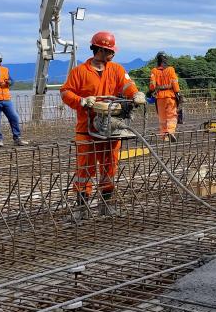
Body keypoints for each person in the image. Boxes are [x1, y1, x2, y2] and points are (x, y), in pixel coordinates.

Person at [60, 32, 145, 211]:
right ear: (100, 49)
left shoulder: (117, 69)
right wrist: (82, 101)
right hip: (87, 129)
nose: (113, 54)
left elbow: (127, 86)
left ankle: (106, 204)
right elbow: (66, 92)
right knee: (85, 169)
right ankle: (82, 207)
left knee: (109, 167)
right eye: (110, 51)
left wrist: (136, 94)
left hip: (111, 128)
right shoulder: (79, 72)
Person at [149, 51, 182, 142]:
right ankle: (171, 132)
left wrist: (151, 91)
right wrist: (178, 92)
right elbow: (175, 82)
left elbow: (152, 85)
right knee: (171, 115)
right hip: (170, 96)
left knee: (162, 117)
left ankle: (164, 136)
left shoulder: (154, 71)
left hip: (159, 97)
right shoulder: (171, 69)